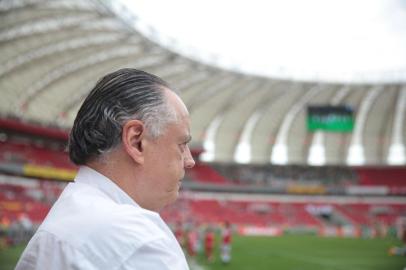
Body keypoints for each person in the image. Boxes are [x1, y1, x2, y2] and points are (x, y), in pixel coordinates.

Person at [16, 68, 195, 269]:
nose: (190, 160)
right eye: (181, 144)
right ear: (137, 142)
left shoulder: (64, 220)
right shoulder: (138, 241)